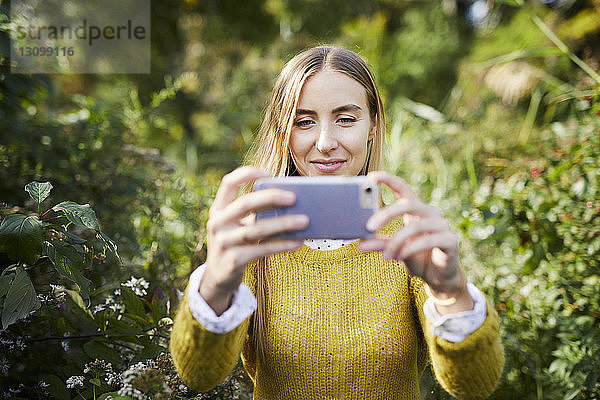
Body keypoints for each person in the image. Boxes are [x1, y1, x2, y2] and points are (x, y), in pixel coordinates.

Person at [169, 46, 504, 400]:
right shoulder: (254, 240)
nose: (325, 143)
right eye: (304, 121)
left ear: (373, 125)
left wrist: (451, 291)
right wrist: (216, 284)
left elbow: (474, 385)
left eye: (346, 119)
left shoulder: (407, 242)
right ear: (283, 130)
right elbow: (198, 374)